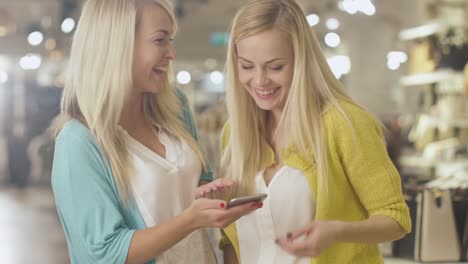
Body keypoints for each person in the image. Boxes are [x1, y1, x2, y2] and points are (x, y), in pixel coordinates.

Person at [50, 0, 260, 263]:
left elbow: (197, 182)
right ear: (118, 44)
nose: (171, 53)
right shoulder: (78, 142)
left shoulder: (175, 107)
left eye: (170, 40)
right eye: (160, 40)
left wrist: (213, 195)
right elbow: (104, 253)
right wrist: (190, 220)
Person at [218, 0, 412, 263]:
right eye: (247, 66)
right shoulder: (236, 132)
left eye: (276, 67)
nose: (260, 80)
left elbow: (395, 218)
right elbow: (231, 241)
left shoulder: (344, 123)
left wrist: (339, 231)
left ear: (302, 62)